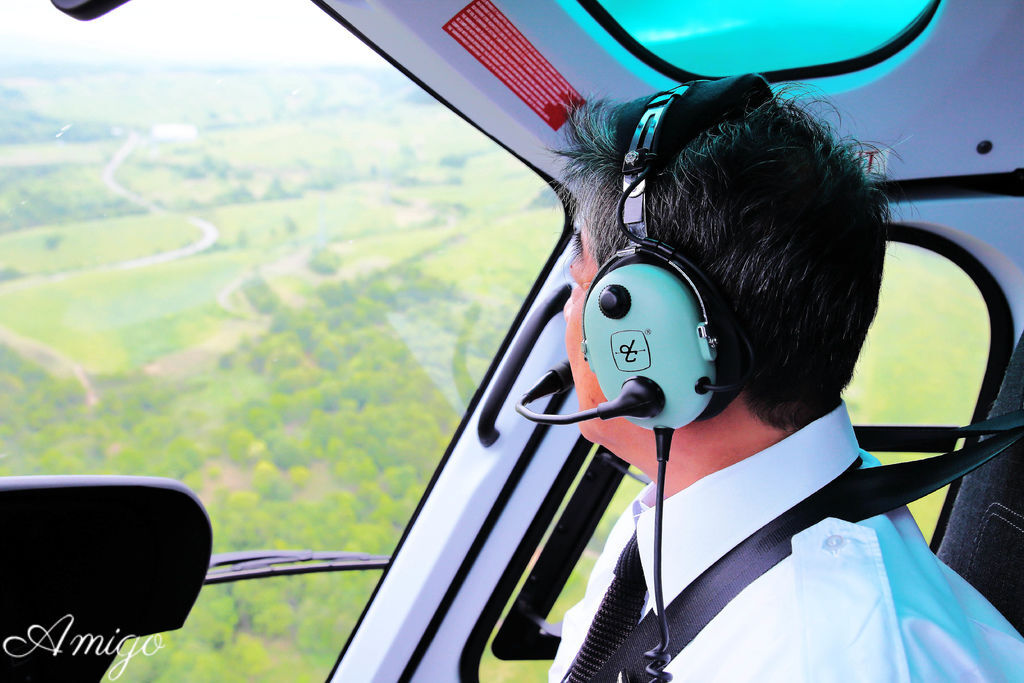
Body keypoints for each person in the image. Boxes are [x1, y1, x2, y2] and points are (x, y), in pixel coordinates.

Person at [548, 86, 1024, 681]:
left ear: (653, 332)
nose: (568, 320)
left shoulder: (824, 656)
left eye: (580, 286)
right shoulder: (677, 525)